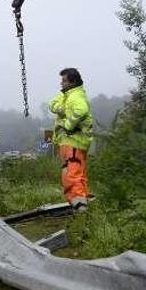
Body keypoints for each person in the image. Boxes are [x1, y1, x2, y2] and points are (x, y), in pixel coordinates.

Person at [49, 68, 94, 211]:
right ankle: (84, 200)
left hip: (73, 141)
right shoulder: (68, 95)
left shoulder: (75, 97)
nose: (61, 83)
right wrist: (61, 109)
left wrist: (68, 125)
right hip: (72, 142)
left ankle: (80, 205)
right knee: (78, 173)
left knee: (72, 173)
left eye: (64, 80)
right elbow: (52, 105)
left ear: (72, 82)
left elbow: (81, 110)